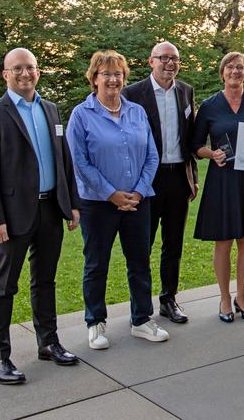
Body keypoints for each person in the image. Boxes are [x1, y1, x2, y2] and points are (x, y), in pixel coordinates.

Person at [0, 47, 81, 385]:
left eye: (31, 68)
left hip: (50, 208)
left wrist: (72, 203)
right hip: (12, 215)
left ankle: (48, 342)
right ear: (5, 74)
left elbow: (64, 161)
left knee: (45, 280)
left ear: (38, 72)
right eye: (17, 68)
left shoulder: (50, 109)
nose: (25, 73)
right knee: (4, 286)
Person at [67, 50, 168, 349]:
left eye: (118, 74)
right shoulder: (81, 115)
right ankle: (95, 322)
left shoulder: (137, 112)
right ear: (94, 78)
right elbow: (80, 163)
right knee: (96, 264)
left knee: (140, 262)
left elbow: (152, 155)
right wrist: (111, 194)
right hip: (98, 205)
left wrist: (137, 191)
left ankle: (141, 319)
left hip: (138, 201)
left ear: (124, 79)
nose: (113, 79)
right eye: (106, 74)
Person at [193, 51, 244, 322]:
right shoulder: (208, 106)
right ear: (222, 72)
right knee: (223, 240)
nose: (235, 71)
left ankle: (242, 296)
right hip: (222, 179)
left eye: (240, 67)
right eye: (230, 67)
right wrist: (211, 154)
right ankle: (224, 298)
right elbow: (195, 146)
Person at [123, 41, 197, 324]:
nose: (170, 63)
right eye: (164, 58)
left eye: (175, 59)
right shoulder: (133, 93)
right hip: (146, 181)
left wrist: (193, 178)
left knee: (173, 244)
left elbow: (189, 139)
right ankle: (139, 307)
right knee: (141, 245)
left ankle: (169, 299)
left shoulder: (186, 91)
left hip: (178, 177)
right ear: (150, 61)